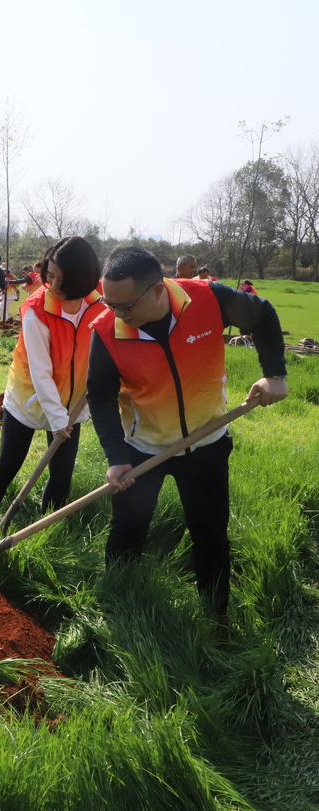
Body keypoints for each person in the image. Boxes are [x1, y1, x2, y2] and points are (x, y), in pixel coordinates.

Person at [87, 246, 288, 618]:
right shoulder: (105, 331)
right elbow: (99, 397)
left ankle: (216, 618)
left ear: (159, 290)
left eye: (125, 306)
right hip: (143, 447)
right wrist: (116, 459)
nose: (116, 314)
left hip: (207, 441)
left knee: (210, 533)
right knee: (128, 529)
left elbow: (263, 316)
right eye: (109, 304)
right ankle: (118, 608)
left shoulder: (209, 298)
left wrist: (274, 374)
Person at [0, 237, 106, 527]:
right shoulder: (37, 309)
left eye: (64, 279)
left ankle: (46, 529)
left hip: (72, 404)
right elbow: (40, 371)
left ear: (84, 279)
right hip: (29, 399)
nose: (55, 286)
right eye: (51, 276)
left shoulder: (99, 307)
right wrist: (58, 419)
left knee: (62, 473)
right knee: (8, 465)